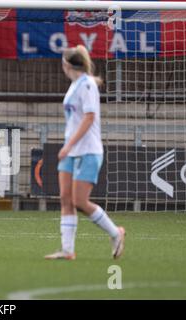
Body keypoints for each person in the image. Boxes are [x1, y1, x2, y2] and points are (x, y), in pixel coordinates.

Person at [45, 45, 125, 260]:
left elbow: (89, 118)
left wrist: (69, 145)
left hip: (87, 150)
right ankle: (67, 250)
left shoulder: (88, 84)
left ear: (68, 65)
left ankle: (115, 233)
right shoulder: (74, 85)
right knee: (65, 199)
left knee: (80, 201)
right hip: (71, 151)